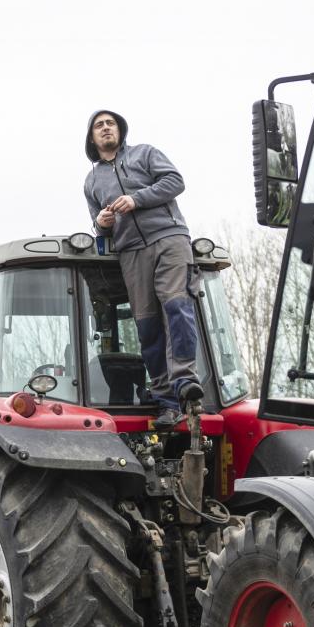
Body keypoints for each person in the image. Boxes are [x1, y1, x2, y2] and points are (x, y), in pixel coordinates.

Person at [82, 109, 201, 429]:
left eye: (110, 124)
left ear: (120, 131)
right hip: (131, 251)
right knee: (147, 325)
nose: (106, 128)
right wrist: (101, 223)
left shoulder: (145, 154)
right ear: (92, 138)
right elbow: (99, 228)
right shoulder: (92, 181)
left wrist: (137, 199)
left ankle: (185, 384)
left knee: (176, 306)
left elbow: (175, 181)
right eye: (99, 126)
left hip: (169, 238)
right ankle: (165, 399)